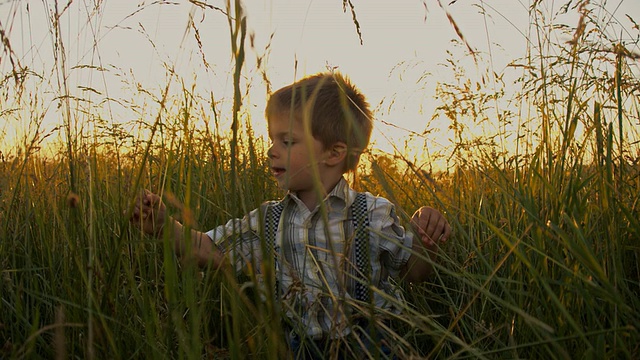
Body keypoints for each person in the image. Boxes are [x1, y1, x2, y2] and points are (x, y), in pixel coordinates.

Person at [130, 72, 451, 359]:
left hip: (371, 347)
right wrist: (162, 226)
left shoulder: (374, 212)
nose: (271, 150)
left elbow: (412, 275)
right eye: (272, 139)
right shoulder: (268, 219)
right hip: (301, 348)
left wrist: (426, 240)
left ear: (334, 153)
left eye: (287, 141)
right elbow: (210, 250)